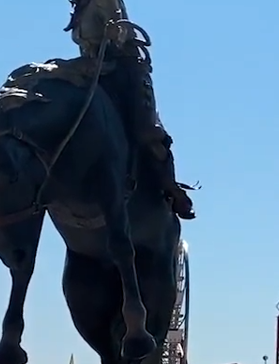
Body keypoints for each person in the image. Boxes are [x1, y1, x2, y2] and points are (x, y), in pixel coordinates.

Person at [64, 0, 196, 220]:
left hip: (125, 72)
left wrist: (115, 34)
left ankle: (172, 189)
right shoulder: (79, 9)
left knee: (145, 131)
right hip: (95, 73)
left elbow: (121, 30)